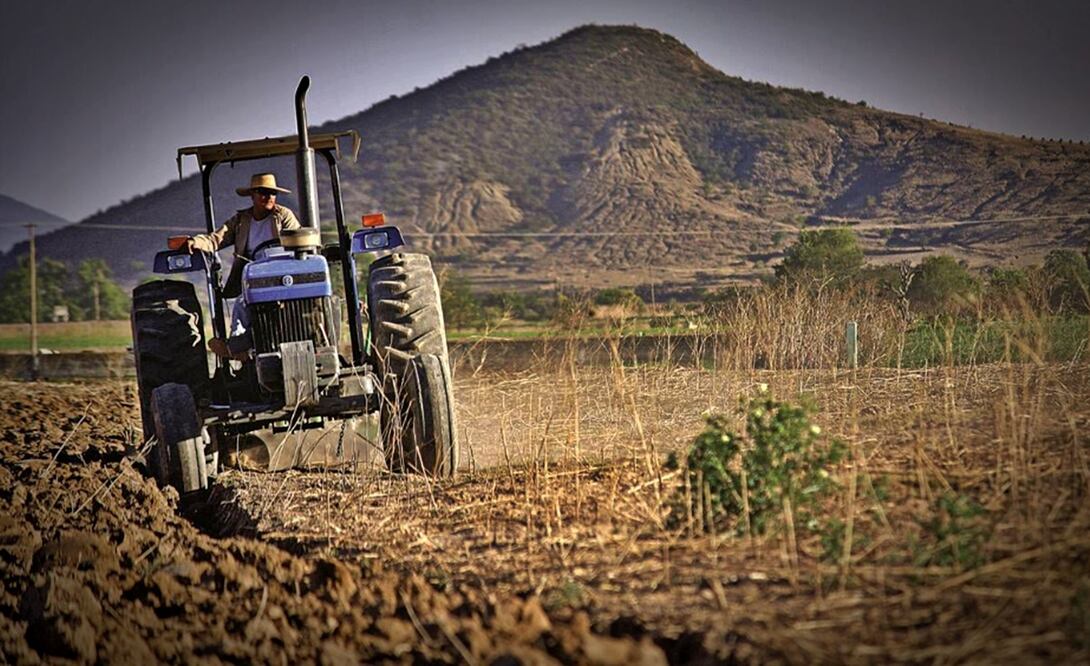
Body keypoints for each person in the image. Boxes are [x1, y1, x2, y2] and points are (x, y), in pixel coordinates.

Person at [185, 173, 300, 359]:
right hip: (254, 277)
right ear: (252, 195)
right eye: (263, 192)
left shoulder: (283, 216)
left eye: (272, 193)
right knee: (242, 303)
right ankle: (237, 347)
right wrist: (196, 242)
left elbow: (298, 240)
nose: (268, 197)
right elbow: (216, 239)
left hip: (282, 275)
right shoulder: (241, 220)